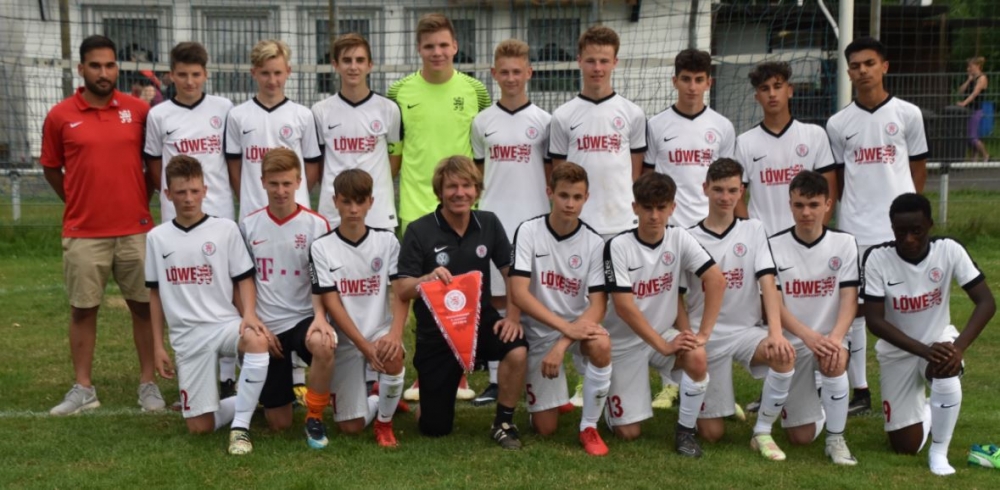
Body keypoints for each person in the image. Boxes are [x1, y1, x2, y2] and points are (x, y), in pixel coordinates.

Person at [41, 35, 164, 416]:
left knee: (143, 307)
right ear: (81, 69)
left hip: (135, 230)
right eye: (95, 65)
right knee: (83, 309)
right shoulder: (60, 115)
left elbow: (152, 164)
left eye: (110, 65)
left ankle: (148, 384)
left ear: (117, 68)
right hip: (84, 232)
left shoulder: (138, 111)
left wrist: (139, 198)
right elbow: (51, 168)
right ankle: (83, 388)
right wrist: (79, 201)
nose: (103, 72)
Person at [388, 13, 490, 402]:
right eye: (429, 46)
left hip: (460, 206)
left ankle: (460, 373)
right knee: (423, 293)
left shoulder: (476, 90)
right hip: (416, 207)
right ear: (419, 49)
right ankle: (424, 374)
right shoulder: (399, 91)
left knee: (461, 290)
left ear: (455, 47)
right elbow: (396, 151)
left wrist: (474, 195)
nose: (437, 52)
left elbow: (480, 151)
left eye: (444, 45)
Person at [826, 36, 929, 416]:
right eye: (855, 66)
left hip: (899, 233)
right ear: (848, 72)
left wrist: (910, 220)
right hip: (856, 231)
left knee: (905, 306)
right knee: (852, 310)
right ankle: (861, 390)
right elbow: (838, 179)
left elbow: (918, 169)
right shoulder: (838, 124)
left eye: (869, 63)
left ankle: (915, 381)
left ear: (884, 66)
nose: (862, 71)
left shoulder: (908, 114)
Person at [395, 156, 529, 449]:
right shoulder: (419, 230)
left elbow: (513, 274)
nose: (460, 193)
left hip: (480, 322)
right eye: (452, 186)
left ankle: (504, 423)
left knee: (517, 349)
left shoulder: (489, 223)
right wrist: (427, 279)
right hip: (438, 334)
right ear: (439, 191)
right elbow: (402, 289)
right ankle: (430, 402)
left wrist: (512, 317)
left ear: (476, 190)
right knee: (434, 429)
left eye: (467, 186)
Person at [146, 156, 271, 455]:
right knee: (199, 427)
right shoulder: (156, 238)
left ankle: (240, 426)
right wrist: (158, 345)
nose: (188, 198)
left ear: (205, 190)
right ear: (168, 194)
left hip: (224, 325)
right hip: (187, 336)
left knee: (256, 340)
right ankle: (250, 399)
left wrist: (249, 315)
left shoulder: (225, 229)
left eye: (194, 191)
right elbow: (155, 295)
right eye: (181, 192)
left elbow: (244, 279)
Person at [548, 24, 647, 407]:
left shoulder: (632, 114)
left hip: (620, 226)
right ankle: (585, 380)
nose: (597, 68)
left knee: (620, 310)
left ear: (615, 62)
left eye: (604, 61)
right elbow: (559, 174)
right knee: (582, 305)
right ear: (579, 61)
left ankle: (617, 381)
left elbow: (635, 173)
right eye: (591, 60)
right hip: (581, 229)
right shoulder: (563, 116)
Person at [863, 193, 995, 475]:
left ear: (930, 226)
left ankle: (939, 452)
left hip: (938, 341)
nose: (909, 239)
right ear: (892, 228)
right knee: (904, 446)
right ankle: (929, 407)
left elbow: (986, 302)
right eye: (901, 232)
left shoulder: (949, 250)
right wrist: (923, 350)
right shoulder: (876, 258)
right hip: (897, 353)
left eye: (916, 231)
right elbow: (874, 321)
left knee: (944, 363)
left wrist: (958, 348)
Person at [603, 172, 725, 458]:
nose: (654, 216)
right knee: (628, 433)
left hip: (663, 335)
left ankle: (685, 432)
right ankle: (610, 402)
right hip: (623, 343)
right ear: (635, 207)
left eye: (661, 207)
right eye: (647, 208)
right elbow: (623, 307)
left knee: (696, 354)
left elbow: (716, 280)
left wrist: (702, 334)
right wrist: (663, 345)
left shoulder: (679, 237)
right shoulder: (617, 246)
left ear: (672, 207)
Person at [683, 158, 795, 460]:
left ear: (741, 191)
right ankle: (717, 398)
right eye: (718, 189)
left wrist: (775, 333)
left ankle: (762, 432)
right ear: (705, 189)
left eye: (732, 190)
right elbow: (677, 295)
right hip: (706, 338)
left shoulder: (754, 229)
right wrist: (687, 334)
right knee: (712, 434)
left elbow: (768, 283)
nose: (725, 197)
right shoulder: (687, 235)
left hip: (746, 332)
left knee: (783, 355)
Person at [145, 42, 241, 397]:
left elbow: (231, 158)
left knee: (223, 286)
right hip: (178, 214)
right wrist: (171, 197)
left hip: (218, 210)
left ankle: (227, 375)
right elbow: (155, 163)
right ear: (171, 75)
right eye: (182, 75)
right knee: (186, 287)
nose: (189, 81)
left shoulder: (224, 109)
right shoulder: (159, 115)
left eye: (196, 74)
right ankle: (194, 358)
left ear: (206, 74)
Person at [642, 48, 735, 409]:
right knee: (670, 302)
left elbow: (728, 180)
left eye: (699, 80)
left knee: (705, 302)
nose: (692, 87)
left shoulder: (722, 127)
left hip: (708, 230)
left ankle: (710, 382)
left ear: (709, 82)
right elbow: (649, 179)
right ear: (675, 81)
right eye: (686, 79)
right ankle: (671, 381)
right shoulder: (657, 125)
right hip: (670, 228)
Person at [508, 163, 610, 455]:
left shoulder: (594, 242)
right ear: (550, 193)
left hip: (576, 327)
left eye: (577, 197)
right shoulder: (528, 231)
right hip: (539, 331)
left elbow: (599, 304)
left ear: (586, 198)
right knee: (545, 428)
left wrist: (564, 341)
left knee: (601, 344)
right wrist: (564, 330)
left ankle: (588, 427)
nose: (570, 204)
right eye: (564, 195)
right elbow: (519, 293)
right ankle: (551, 400)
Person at [471, 38, 552, 406]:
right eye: (504, 72)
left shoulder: (545, 122)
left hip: (534, 221)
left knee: (535, 298)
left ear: (529, 73)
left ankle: (535, 375)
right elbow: (479, 172)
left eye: (517, 71)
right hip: (495, 222)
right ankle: (495, 378)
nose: (511, 78)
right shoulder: (481, 122)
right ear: (493, 74)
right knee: (498, 298)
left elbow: (551, 174)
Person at [239, 148, 336, 449]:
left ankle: (314, 416)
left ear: (298, 182)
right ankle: (257, 396)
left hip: (304, 319)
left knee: (323, 344)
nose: (280, 191)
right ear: (262, 182)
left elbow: (321, 281)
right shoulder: (249, 225)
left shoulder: (316, 225)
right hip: (267, 325)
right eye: (273, 183)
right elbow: (243, 280)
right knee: (279, 424)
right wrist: (254, 322)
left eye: (287, 183)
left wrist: (320, 318)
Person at [311, 169, 410, 447]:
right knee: (350, 427)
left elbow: (401, 293)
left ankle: (384, 423)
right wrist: (363, 346)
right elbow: (331, 301)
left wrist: (395, 335)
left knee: (392, 355)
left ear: (371, 202)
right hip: (345, 339)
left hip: (379, 332)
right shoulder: (322, 247)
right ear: (335, 201)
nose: (353, 209)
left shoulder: (387, 241)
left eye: (360, 201)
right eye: (346, 202)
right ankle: (380, 398)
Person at [768, 171, 860, 465]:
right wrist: (808, 336)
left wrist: (835, 338)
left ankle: (836, 439)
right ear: (790, 205)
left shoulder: (845, 243)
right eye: (799, 205)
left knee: (834, 358)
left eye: (813, 204)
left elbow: (849, 299)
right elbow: (773, 304)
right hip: (793, 342)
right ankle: (821, 400)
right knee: (800, 437)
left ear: (828, 205)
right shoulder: (773, 245)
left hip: (830, 338)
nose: (806, 212)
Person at [311, 33, 401, 230]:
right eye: (347, 60)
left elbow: (395, 157)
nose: (353, 67)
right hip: (334, 214)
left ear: (370, 65)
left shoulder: (388, 109)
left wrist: (377, 183)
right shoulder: (320, 111)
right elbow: (318, 163)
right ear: (335, 65)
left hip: (377, 213)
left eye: (360, 60)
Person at [735, 61, 837, 235]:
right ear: (757, 97)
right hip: (763, 240)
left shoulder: (815, 135)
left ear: (789, 90)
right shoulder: (744, 142)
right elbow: (736, 196)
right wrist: (750, 235)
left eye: (777, 86)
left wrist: (816, 233)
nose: (772, 94)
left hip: (805, 238)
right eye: (765, 89)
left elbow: (830, 189)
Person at [225, 39, 322, 221]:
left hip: (295, 214)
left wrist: (295, 196)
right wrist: (247, 199)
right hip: (253, 213)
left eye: (278, 73)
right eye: (265, 73)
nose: (272, 80)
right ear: (253, 73)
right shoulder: (237, 116)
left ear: (288, 71)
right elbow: (234, 167)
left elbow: (312, 166)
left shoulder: (303, 115)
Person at [957, 56, 989, 163]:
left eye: (970, 66)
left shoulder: (982, 78)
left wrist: (964, 103)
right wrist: (968, 80)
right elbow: (960, 91)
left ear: (977, 66)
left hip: (976, 110)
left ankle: (985, 155)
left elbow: (975, 94)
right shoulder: (972, 79)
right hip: (967, 110)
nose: (968, 69)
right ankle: (974, 157)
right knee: (968, 135)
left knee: (972, 136)